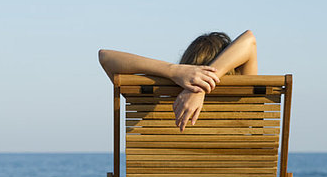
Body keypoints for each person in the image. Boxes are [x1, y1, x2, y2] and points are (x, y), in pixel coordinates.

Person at [99, 29, 257, 132]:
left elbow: (106, 57)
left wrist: (174, 71)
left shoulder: (155, 104)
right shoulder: (243, 104)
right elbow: (249, 41)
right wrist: (205, 83)